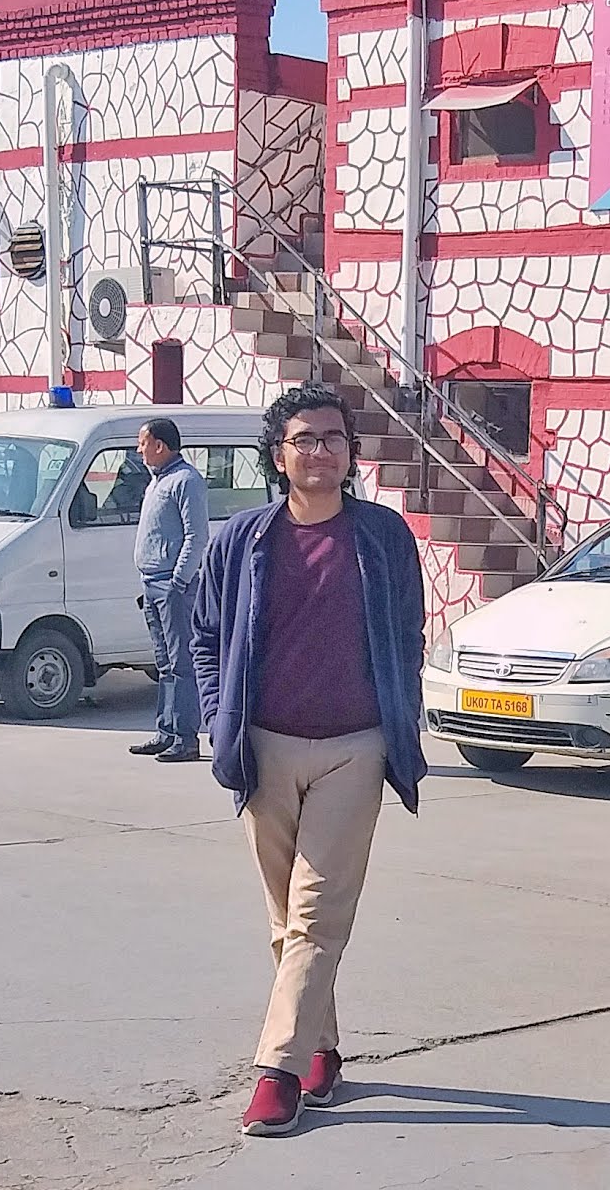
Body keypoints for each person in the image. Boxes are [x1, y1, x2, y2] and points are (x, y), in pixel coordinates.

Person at [191, 382, 427, 1139]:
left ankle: (277, 1073)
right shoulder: (244, 540)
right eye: (305, 439)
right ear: (278, 455)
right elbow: (204, 635)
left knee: (318, 913)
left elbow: (408, 635)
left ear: (351, 454)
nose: (320, 450)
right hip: (264, 744)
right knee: (285, 919)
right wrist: (215, 719)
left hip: (356, 747)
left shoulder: (384, 537)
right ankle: (318, 1045)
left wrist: (401, 719)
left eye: (333, 437)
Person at [129, 419, 210, 763]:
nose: (139, 450)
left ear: (160, 446)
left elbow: (196, 536)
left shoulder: (186, 481)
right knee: (164, 664)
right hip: (152, 583)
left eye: (143, 443)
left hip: (172, 586)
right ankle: (166, 730)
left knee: (181, 664)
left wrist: (178, 581)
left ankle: (185, 737)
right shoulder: (156, 482)